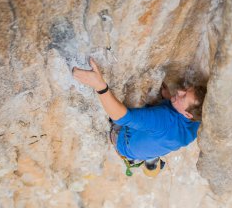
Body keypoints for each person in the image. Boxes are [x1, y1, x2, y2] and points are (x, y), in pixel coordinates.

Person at [73, 58, 206, 176]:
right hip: (155, 142)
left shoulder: (163, 119)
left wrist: (99, 86)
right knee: (157, 136)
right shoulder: (198, 121)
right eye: (186, 90)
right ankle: (150, 158)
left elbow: (122, 117)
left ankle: (144, 155)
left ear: (187, 114)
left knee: (120, 113)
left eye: (183, 96)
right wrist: (170, 99)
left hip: (123, 142)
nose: (179, 91)